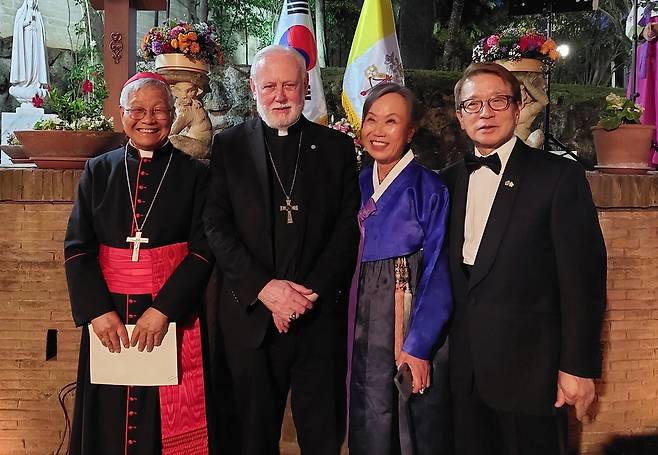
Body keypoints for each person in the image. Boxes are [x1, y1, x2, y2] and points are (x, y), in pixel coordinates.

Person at [441, 62, 607, 455]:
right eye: (473, 104)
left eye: (498, 101)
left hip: (533, 376)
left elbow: (583, 281)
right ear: (460, 117)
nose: (485, 112)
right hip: (464, 377)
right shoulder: (445, 182)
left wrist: (579, 366)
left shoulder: (559, 177)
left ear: (518, 108)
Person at [203, 44, 360, 455]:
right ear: (253, 87)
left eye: (290, 85)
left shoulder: (336, 148)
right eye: (269, 85)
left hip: (317, 318)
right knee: (250, 440)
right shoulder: (228, 146)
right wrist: (265, 290)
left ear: (305, 87)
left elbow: (347, 229)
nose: (280, 95)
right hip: (251, 318)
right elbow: (216, 227)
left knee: (322, 437)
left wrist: (305, 296)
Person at [64, 72, 214, 455]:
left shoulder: (196, 174)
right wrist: (97, 312)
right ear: (122, 113)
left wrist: (163, 310)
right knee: (107, 421)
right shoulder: (99, 170)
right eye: (138, 109)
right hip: (109, 315)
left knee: (162, 423)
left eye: (160, 110)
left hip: (168, 314)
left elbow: (203, 250)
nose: (148, 118)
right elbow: (78, 248)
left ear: (172, 113)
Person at [347, 82, 453, 455]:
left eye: (391, 121)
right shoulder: (354, 184)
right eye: (371, 120)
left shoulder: (430, 189)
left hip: (402, 315)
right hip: (356, 319)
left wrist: (419, 346)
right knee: (364, 412)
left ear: (410, 132)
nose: (378, 130)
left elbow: (438, 269)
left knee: (409, 417)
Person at [626, 1, 658, 166]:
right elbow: (630, 27)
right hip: (646, 55)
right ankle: (644, 155)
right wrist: (643, 32)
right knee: (644, 105)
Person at [9, 0, 49, 104]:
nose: (33, 2)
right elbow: (18, 27)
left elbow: (41, 35)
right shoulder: (21, 12)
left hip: (35, 44)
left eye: (35, 0)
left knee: (36, 63)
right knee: (26, 63)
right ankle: (25, 82)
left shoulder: (38, 14)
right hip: (25, 43)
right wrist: (26, 22)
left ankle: (35, 83)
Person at [170, 80, 213, 158]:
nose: (183, 96)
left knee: (171, 140)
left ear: (197, 91)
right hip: (203, 146)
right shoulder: (196, 106)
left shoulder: (188, 110)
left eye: (189, 91)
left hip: (199, 147)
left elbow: (172, 132)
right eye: (179, 91)